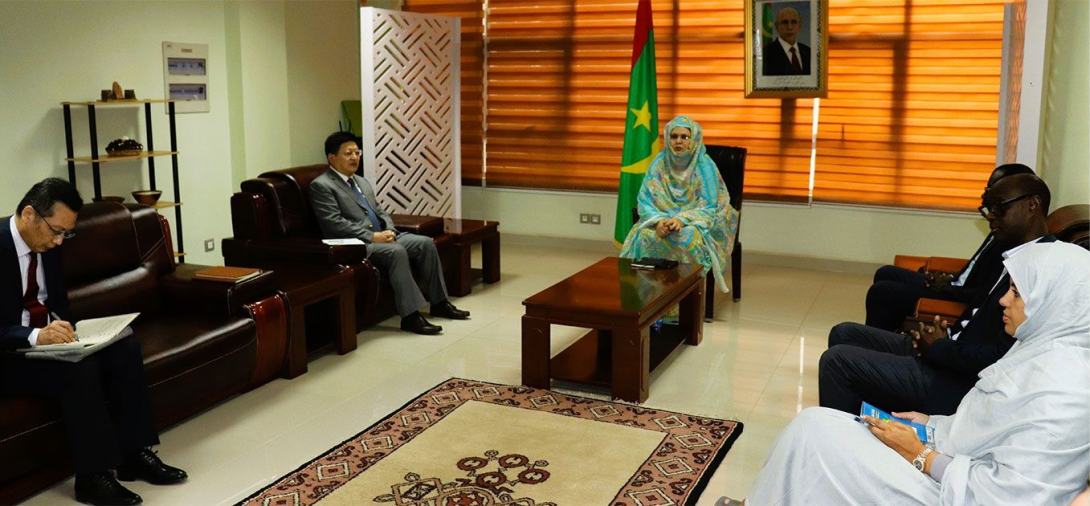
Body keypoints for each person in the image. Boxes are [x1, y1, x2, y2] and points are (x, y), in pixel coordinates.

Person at [720, 242, 1089, 505]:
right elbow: (985, 425)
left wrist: (920, 454)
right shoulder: (1041, 347)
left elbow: (1005, 496)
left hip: (949, 491)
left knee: (818, 442)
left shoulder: (1064, 393)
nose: (1005, 300)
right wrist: (930, 423)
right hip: (948, 463)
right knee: (813, 424)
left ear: (1054, 303)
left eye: (1017, 293)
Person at [0, 178, 186, 505]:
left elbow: (57, 301)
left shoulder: (47, 244)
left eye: (66, 233)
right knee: (80, 370)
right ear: (29, 214)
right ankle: (92, 477)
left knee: (125, 348)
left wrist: (70, 332)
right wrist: (36, 335)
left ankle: (133, 455)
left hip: (48, 344)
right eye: (56, 231)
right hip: (8, 354)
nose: (59, 241)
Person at [820, 174, 1054, 415]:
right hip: (950, 353)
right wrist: (943, 337)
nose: (991, 215)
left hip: (954, 383)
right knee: (844, 333)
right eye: (988, 209)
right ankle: (862, 419)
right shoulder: (1014, 252)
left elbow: (998, 357)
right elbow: (976, 312)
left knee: (837, 361)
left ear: (1032, 204)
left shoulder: (1041, 268)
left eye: (999, 207)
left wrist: (939, 348)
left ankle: (845, 432)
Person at [309, 131, 469, 335]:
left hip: (382, 235)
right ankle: (410, 317)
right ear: (332, 158)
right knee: (397, 251)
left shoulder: (361, 181)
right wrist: (372, 236)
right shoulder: (322, 185)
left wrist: (390, 230)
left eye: (357, 152)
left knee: (426, 243)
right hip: (355, 244)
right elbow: (334, 223)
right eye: (348, 153)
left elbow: (380, 210)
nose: (355, 157)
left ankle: (440, 303)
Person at [864, 163, 1038, 331]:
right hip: (955, 285)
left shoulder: (1013, 238)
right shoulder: (1000, 222)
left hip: (957, 299)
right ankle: (889, 329)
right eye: (988, 188)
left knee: (882, 292)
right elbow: (973, 270)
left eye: (993, 190)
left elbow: (983, 294)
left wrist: (945, 287)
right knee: (885, 272)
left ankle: (876, 343)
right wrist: (949, 278)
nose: (986, 195)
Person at [619, 116, 739, 304]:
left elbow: (709, 206)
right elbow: (645, 199)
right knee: (643, 236)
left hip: (695, 221)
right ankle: (650, 299)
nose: (678, 141)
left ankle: (687, 301)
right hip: (662, 219)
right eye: (674, 136)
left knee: (686, 238)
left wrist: (681, 220)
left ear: (694, 139)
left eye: (684, 137)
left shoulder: (704, 165)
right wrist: (658, 221)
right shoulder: (659, 163)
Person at [762, 7, 811, 76]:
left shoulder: (809, 52)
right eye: (785, 22)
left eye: (793, 22)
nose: (789, 27)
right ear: (777, 26)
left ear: (799, 26)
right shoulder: (765, 55)